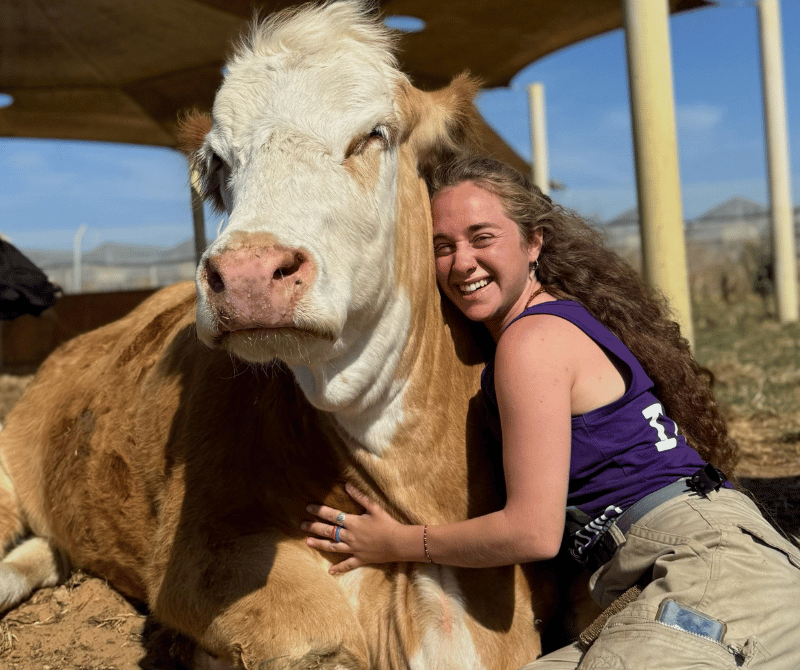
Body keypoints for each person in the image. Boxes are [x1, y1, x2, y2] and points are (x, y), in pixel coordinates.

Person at [302, 154, 800, 668]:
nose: (462, 262)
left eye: (482, 237)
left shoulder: (530, 342)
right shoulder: (557, 319)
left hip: (709, 568)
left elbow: (531, 531)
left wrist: (396, 542)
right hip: (693, 565)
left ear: (534, 241)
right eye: (442, 247)